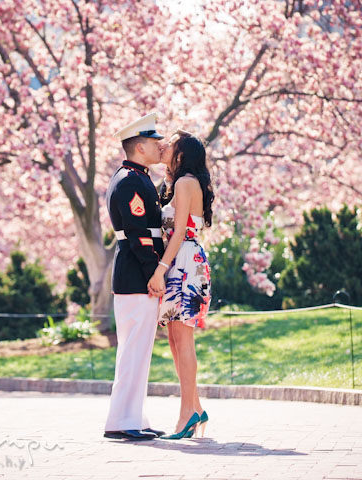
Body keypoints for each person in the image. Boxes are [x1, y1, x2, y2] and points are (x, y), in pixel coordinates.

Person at [103, 112, 167, 441]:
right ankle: (121, 421)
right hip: (136, 275)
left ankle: (133, 417)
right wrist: (155, 273)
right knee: (132, 352)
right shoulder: (130, 181)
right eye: (155, 142)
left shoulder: (135, 178)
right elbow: (139, 234)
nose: (160, 146)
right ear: (139, 147)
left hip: (134, 274)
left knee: (138, 352)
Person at [147, 130, 214, 440]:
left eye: (170, 144)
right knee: (175, 341)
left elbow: (179, 233)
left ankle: (187, 413)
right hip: (180, 261)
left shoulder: (187, 183)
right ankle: (195, 407)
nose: (165, 147)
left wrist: (161, 269)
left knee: (183, 341)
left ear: (182, 153)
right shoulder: (178, 183)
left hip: (185, 261)